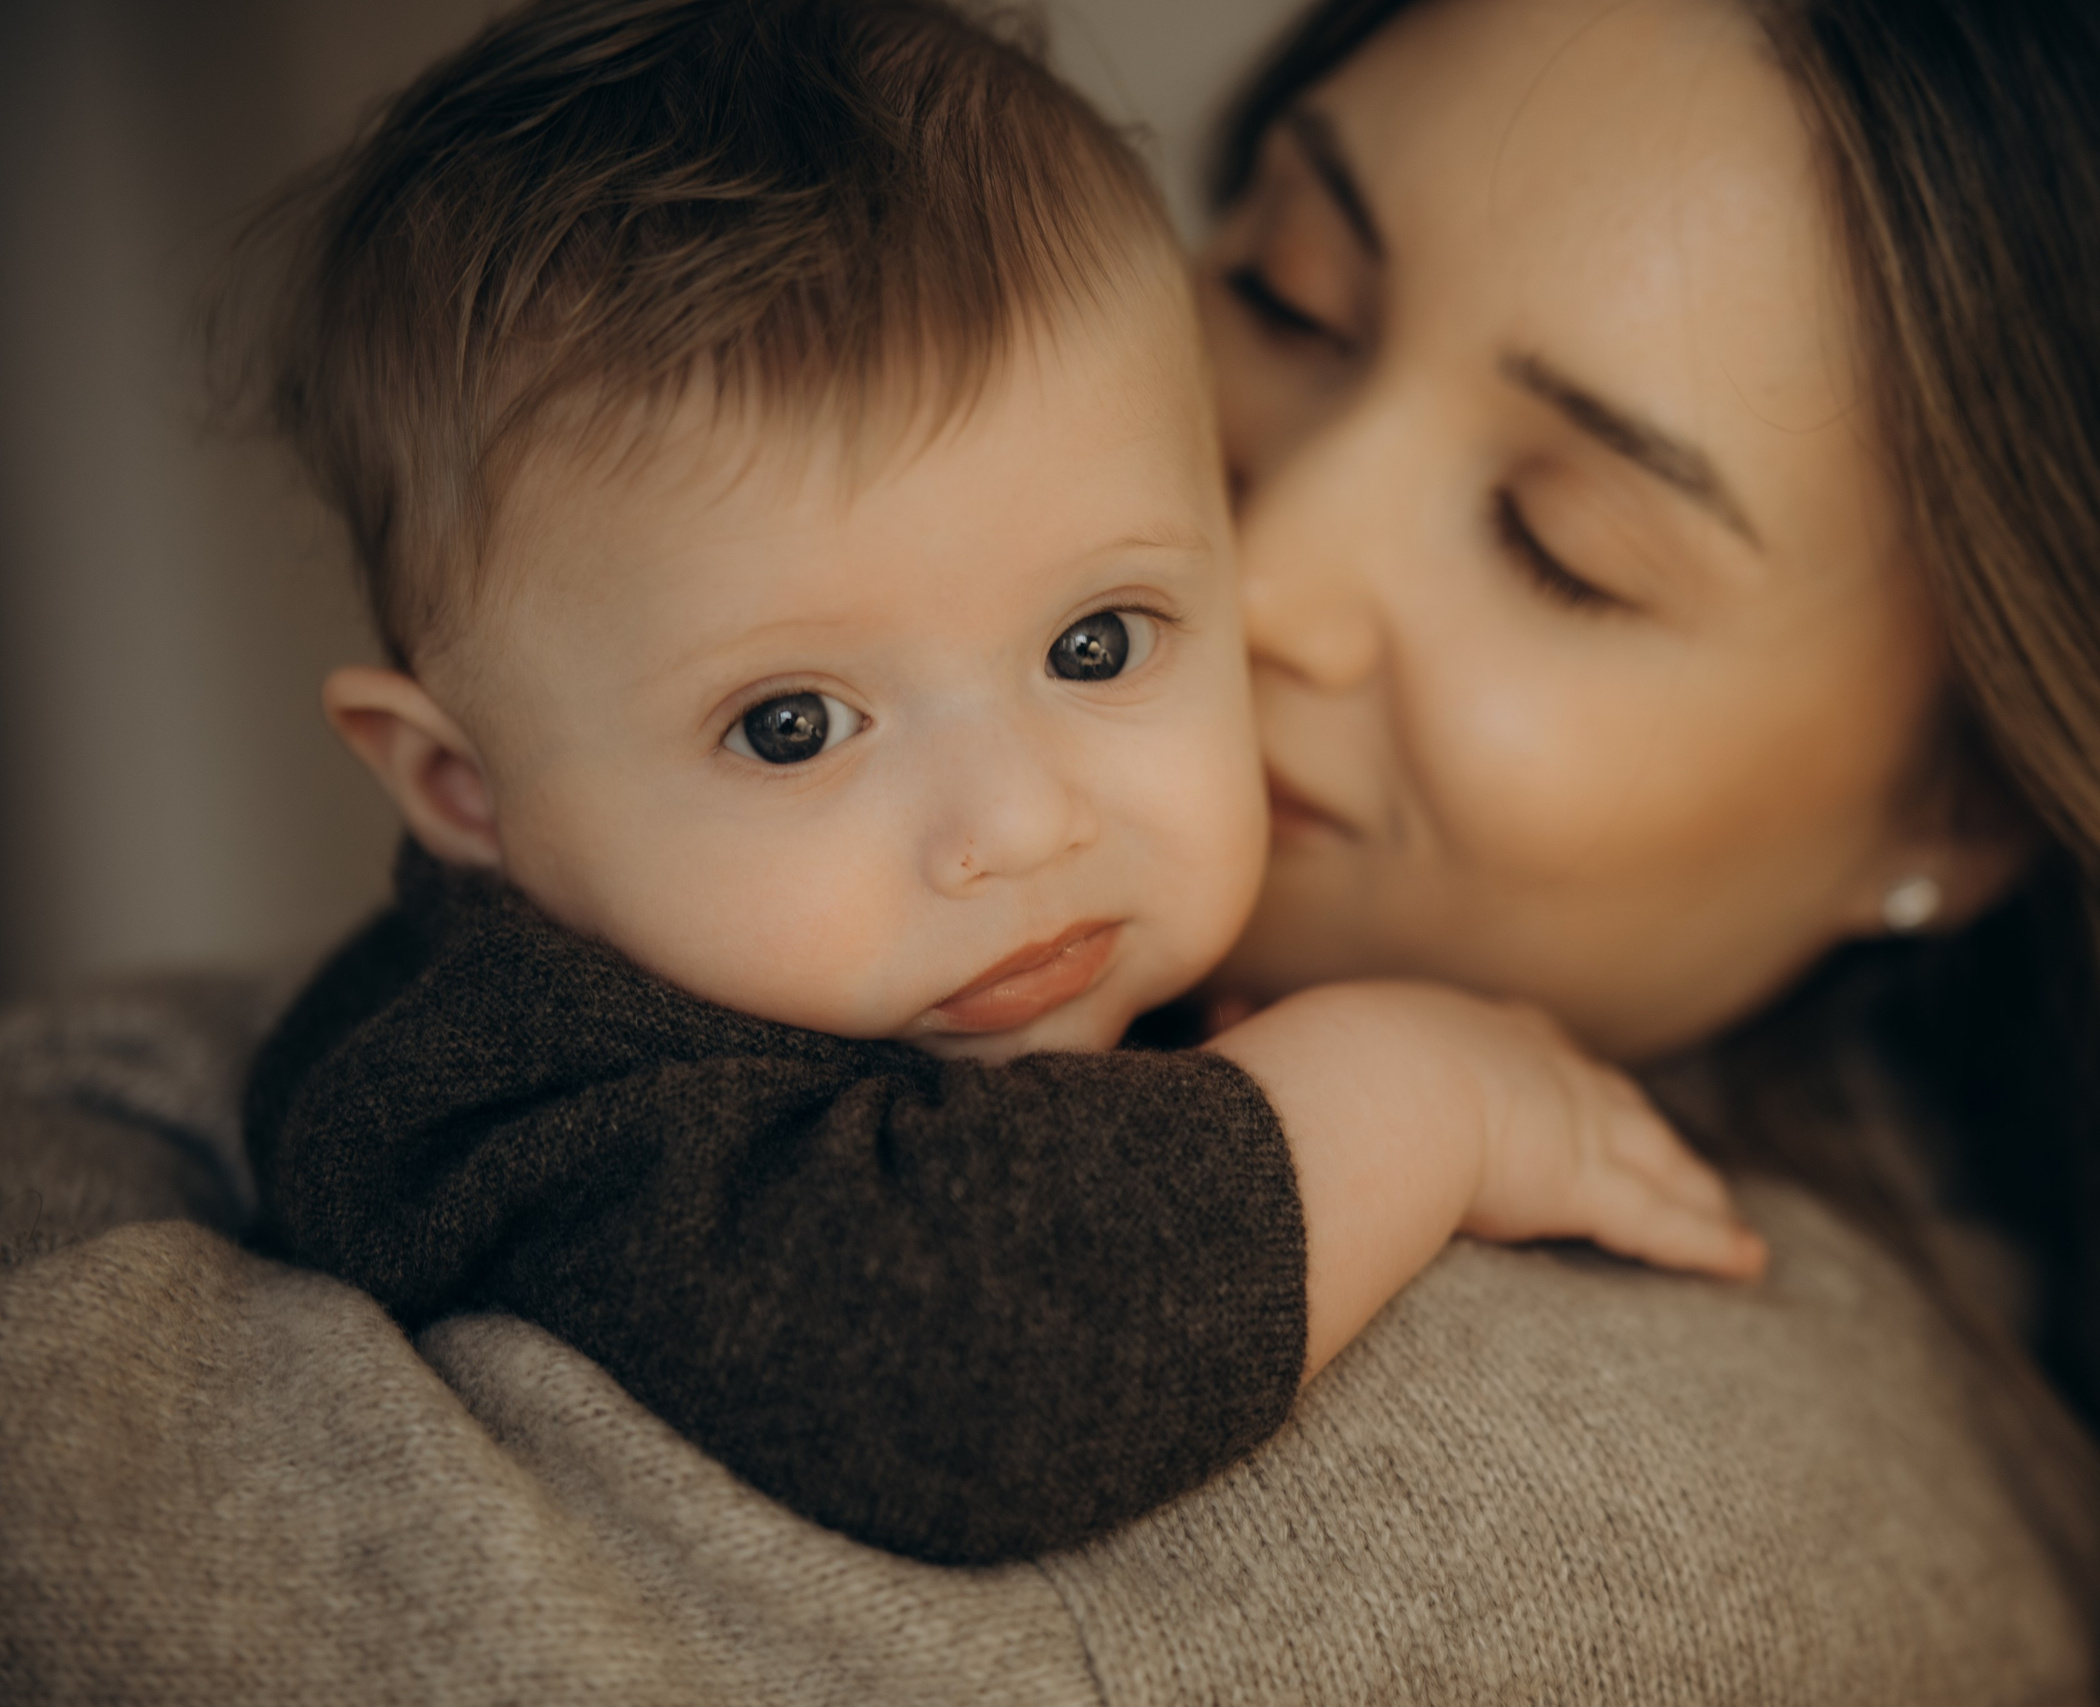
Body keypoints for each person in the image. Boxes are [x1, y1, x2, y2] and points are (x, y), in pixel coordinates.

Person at [0, 0, 2100, 1698]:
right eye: (1289, 296)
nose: (1255, 566)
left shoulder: (1613, 1498)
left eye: (1562, 539)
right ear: (451, 781)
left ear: (1978, 792)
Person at [229, 0, 1757, 1566]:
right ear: (462, 790)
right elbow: (972, 1368)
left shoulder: (843, 964)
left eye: (1097, 643)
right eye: (794, 729)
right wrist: (1418, 1098)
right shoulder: (513, 1082)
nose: (1026, 826)